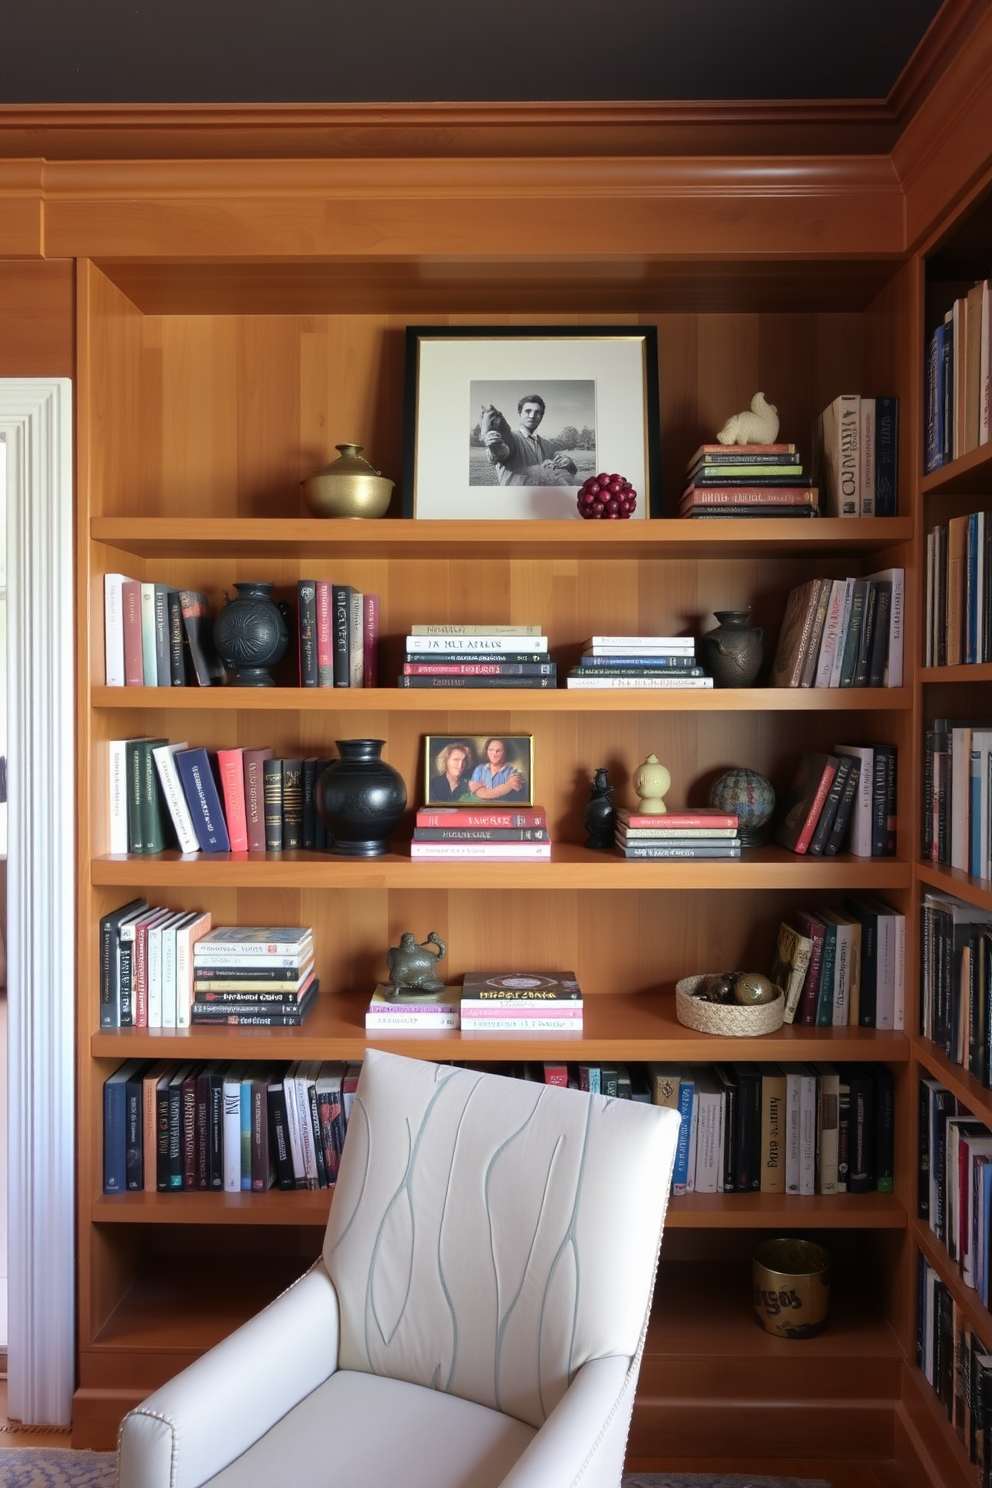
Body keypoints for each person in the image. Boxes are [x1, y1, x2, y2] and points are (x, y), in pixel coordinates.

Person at [482, 394, 577, 485]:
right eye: (528, 411)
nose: (532, 416)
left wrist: (568, 462)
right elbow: (500, 453)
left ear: (542, 416)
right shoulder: (510, 437)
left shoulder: (548, 445)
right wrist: (496, 445)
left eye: (537, 412)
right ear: (519, 413)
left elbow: (572, 469)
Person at [468, 738, 528, 803]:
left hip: (503, 811)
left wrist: (479, 789)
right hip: (482, 811)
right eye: (491, 750)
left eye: (498, 751)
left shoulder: (513, 773)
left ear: (505, 753)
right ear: (487, 751)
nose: (494, 753)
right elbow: (481, 794)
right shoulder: (479, 770)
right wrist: (508, 786)